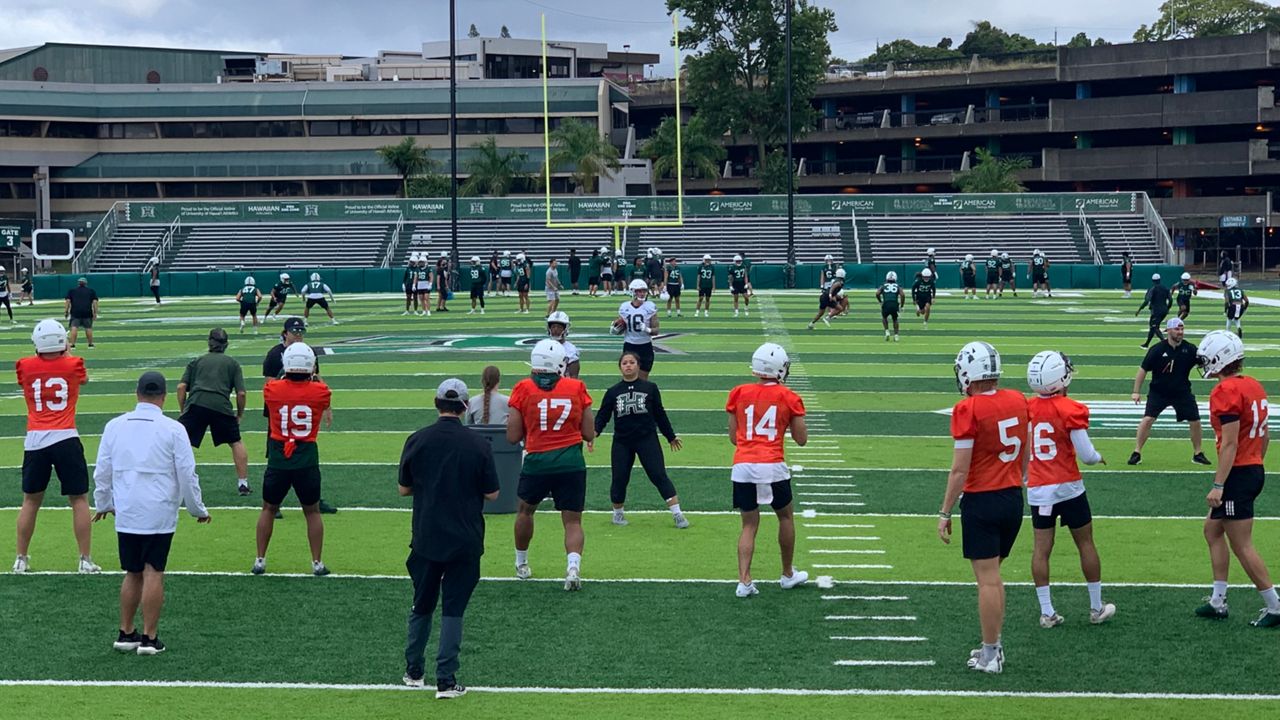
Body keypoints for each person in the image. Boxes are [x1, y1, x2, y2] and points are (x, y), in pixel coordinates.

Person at [93, 371, 210, 656]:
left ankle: (125, 631)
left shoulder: (115, 426)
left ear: (137, 393)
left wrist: (104, 503)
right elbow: (186, 473)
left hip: (128, 508)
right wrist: (196, 507)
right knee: (154, 570)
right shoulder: (173, 429)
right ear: (164, 396)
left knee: (132, 572)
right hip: (158, 509)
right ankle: (149, 637)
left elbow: (102, 470)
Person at [399, 379, 500, 696]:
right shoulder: (478, 444)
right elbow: (493, 493)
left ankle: (414, 670)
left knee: (422, 604)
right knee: (453, 609)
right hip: (465, 537)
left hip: (427, 535)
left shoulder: (417, 439)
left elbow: (404, 488)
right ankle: (446, 679)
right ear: (465, 406)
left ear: (436, 402)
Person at [938, 341, 1029, 674]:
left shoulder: (969, 409)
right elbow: (1026, 445)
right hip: (1012, 498)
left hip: (983, 499)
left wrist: (945, 511)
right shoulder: (1018, 399)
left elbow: (960, 469)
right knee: (995, 576)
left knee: (987, 580)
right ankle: (994, 645)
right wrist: (1020, 476)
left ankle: (991, 654)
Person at [1193, 330, 1280, 627]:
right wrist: (1254, 463)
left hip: (1239, 471)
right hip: (1251, 467)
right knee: (1212, 530)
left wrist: (1219, 484)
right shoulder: (1253, 385)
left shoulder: (1225, 391)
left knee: (1241, 544)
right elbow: (1266, 435)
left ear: (1220, 358)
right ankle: (1218, 600)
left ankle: (1275, 605)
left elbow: (1229, 443)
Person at [1025, 351, 1115, 629]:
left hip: (1039, 488)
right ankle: (1096, 606)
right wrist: (1098, 456)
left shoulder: (1025, 408)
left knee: (1041, 550)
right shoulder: (1069, 408)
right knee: (1085, 543)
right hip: (1068, 486)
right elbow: (1086, 454)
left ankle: (1046, 611)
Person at [507, 339, 595, 590]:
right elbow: (589, 433)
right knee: (573, 521)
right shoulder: (576, 386)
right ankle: (573, 567)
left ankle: (521, 564)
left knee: (525, 512)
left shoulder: (522, 388)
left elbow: (512, 436)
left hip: (536, 461)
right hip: (570, 462)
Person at [13, 319, 99, 574]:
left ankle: (21, 558)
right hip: (66, 437)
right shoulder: (74, 363)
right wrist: (66, 352)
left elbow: (29, 376)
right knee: (79, 500)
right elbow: (83, 380)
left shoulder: (24, 366)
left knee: (30, 501)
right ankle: (84, 559)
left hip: (36, 440)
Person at [727, 342, 809, 598]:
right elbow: (801, 438)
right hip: (772, 465)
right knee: (785, 517)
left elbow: (733, 437)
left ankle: (744, 581)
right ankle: (787, 574)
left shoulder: (738, 392)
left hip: (743, 465)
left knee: (749, 525)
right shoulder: (789, 397)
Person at [254, 342, 333, 577]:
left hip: (279, 456)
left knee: (268, 508)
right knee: (312, 512)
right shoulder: (321, 391)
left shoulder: (272, 390)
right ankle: (317, 562)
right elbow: (321, 390)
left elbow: (273, 387)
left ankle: (260, 560)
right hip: (306, 456)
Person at [596, 351, 688, 529]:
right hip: (622, 441)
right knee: (619, 478)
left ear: (638, 366)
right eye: (625, 363)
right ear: (620, 367)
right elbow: (602, 416)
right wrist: (594, 433)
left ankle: (677, 513)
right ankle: (618, 514)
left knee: (658, 475)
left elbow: (659, 414)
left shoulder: (650, 388)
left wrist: (670, 436)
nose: (628, 365)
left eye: (632, 362)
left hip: (647, 439)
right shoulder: (613, 391)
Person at [262, 317, 336, 515]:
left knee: (306, 454)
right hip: (281, 407)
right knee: (277, 452)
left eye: (301, 332)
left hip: (304, 403)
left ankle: (313, 499)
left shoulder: (307, 352)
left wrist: (327, 407)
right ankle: (274, 503)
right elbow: (269, 382)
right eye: (295, 332)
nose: (298, 335)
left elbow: (317, 377)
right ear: (285, 333)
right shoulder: (274, 354)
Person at [1128, 317, 1211, 466]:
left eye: (1182, 329)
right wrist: (1136, 391)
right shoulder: (1157, 349)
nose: (1180, 332)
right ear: (1168, 331)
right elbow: (1142, 370)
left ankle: (1198, 453)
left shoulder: (1190, 349)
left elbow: (1204, 363)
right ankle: (1137, 452)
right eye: (1177, 329)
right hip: (1159, 392)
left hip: (1182, 392)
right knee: (1147, 420)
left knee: (1195, 421)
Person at [177, 328, 250, 494]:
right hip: (221, 406)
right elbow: (241, 393)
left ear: (209, 342)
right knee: (236, 442)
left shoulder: (197, 361)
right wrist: (239, 414)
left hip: (196, 404)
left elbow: (181, 387)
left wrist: (183, 410)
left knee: (179, 443)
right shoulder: (232, 364)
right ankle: (243, 484)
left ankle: (173, 481)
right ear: (226, 344)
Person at [613, 279, 659, 380]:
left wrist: (647, 329)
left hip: (645, 346)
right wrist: (616, 327)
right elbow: (620, 325)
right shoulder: (624, 307)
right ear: (632, 291)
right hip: (630, 346)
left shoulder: (650, 307)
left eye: (644, 291)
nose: (642, 293)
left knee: (643, 380)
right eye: (639, 291)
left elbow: (656, 330)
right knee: (629, 378)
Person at [1135, 273, 1172, 349]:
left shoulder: (1153, 289)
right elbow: (1171, 300)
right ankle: (1147, 344)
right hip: (1164, 310)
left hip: (1156, 311)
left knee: (1154, 327)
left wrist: (1139, 309)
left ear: (1152, 281)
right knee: (1152, 327)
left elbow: (1147, 300)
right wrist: (1167, 308)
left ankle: (1165, 342)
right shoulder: (1165, 288)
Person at [64, 277, 98, 349]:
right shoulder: (91, 291)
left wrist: (66, 311)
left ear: (78, 283)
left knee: (74, 327)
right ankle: (90, 344)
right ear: (86, 283)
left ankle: (72, 345)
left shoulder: (72, 291)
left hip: (75, 312)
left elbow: (67, 301)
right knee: (88, 328)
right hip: (87, 311)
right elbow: (95, 302)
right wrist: (95, 312)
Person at [547, 311, 581, 378]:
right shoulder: (543, 346)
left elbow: (574, 376)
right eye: (553, 326)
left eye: (559, 327)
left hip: (563, 384)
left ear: (565, 329)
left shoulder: (571, 350)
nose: (555, 329)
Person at [877, 270, 904, 342]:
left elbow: (877, 293)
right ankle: (896, 335)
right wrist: (902, 305)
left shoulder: (883, 285)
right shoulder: (898, 286)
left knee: (884, 317)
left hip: (886, 303)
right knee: (895, 319)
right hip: (894, 304)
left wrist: (880, 301)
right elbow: (902, 295)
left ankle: (887, 331)